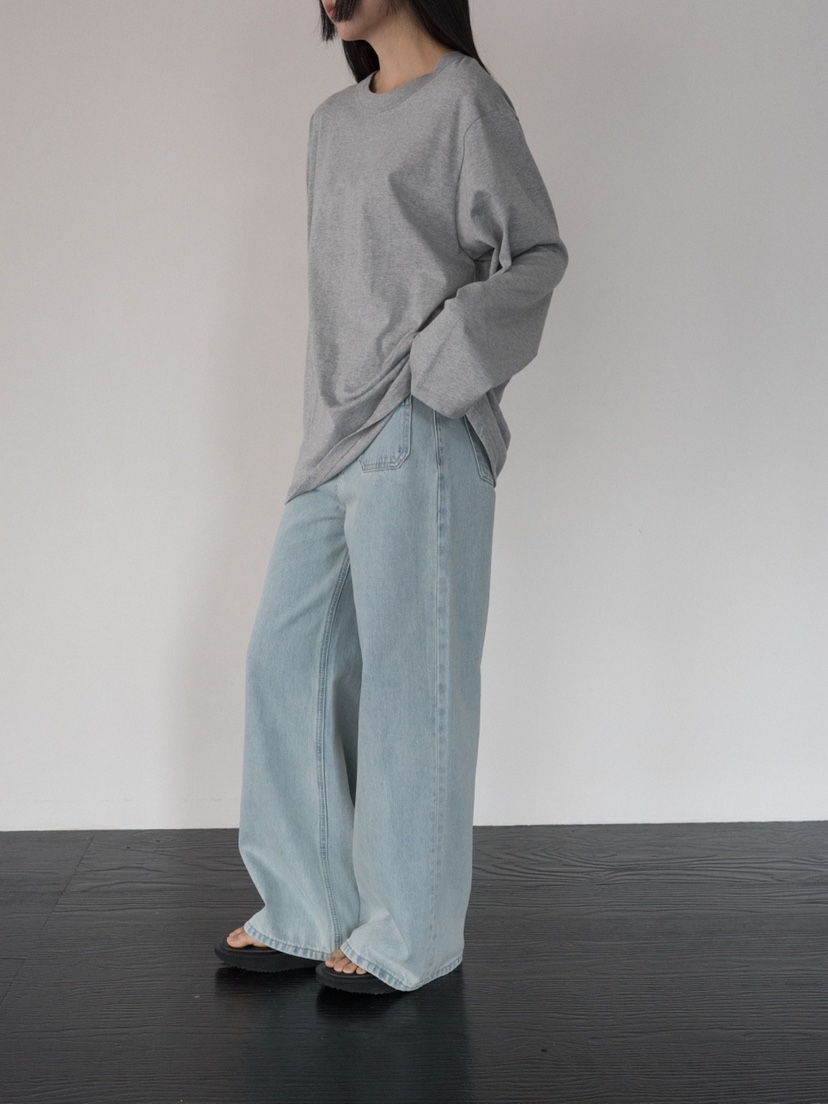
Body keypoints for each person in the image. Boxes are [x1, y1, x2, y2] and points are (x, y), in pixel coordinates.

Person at [214, 0, 569, 994]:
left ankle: (411, 937)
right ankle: (306, 910)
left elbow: (537, 255)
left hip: (421, 431)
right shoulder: (332, 123)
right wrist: (328, 415)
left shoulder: (465, 101)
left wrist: (440, 366)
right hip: (333, 434)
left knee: (414, 687)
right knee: (284, 659)